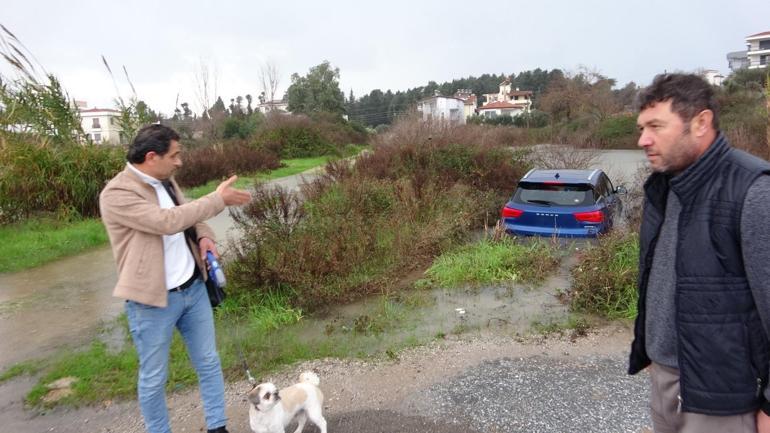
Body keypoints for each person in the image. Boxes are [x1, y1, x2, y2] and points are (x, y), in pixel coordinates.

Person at [629, 73, 770, 433]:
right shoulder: (665, 186)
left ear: (700, 122)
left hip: (723, 396)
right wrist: (652, 348)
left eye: (656, 126)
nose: (643, 139)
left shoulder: (753, 191)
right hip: (666, 379)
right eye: (642, 127)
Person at [100, 124, 251, 433]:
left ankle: (217, 427)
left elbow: (189, 217)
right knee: (154, 377)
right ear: (152, 157)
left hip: (193, 290)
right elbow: (166, 222)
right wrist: (217, 199)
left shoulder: (166, 180)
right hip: (152, 302)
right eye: (175, 155)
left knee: (208, 362)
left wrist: (206, 236)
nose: (179, 162)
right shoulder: (116, 194)